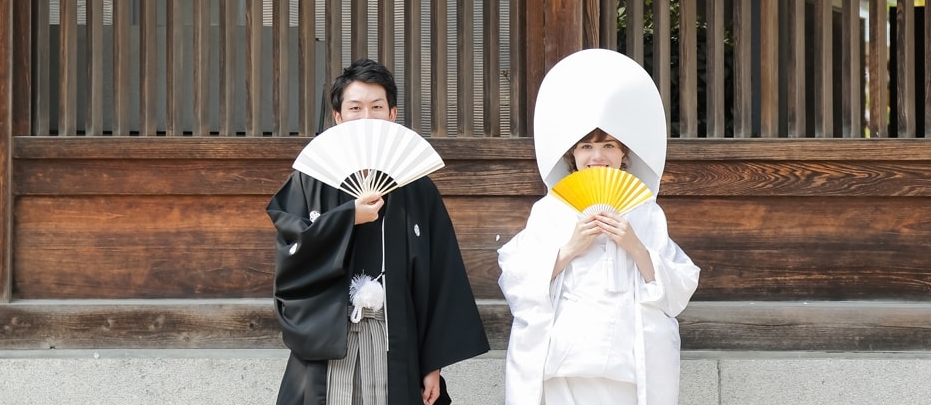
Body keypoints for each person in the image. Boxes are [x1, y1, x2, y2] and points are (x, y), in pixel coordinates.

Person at [267, 58, 490, 405]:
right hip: (328, 338)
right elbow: (293, 251)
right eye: (355, 108)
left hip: (396, 338)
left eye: (377, 107)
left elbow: (441, 276)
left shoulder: (418, 187)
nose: (366, 117)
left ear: (392, 114)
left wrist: (432, 364)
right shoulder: (310, 180)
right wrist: (346, 218)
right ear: (338, 117)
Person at [498, 48, 700, 405]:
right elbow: (516, 279)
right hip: (564, 362)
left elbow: (679, 288)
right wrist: (568, 250)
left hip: (629, 363)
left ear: (624, 153)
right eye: (586, 145)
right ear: (571, 156)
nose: (597, 155)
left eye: (608, 145)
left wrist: (635, 245)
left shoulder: (646, 212)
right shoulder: (550, 211)